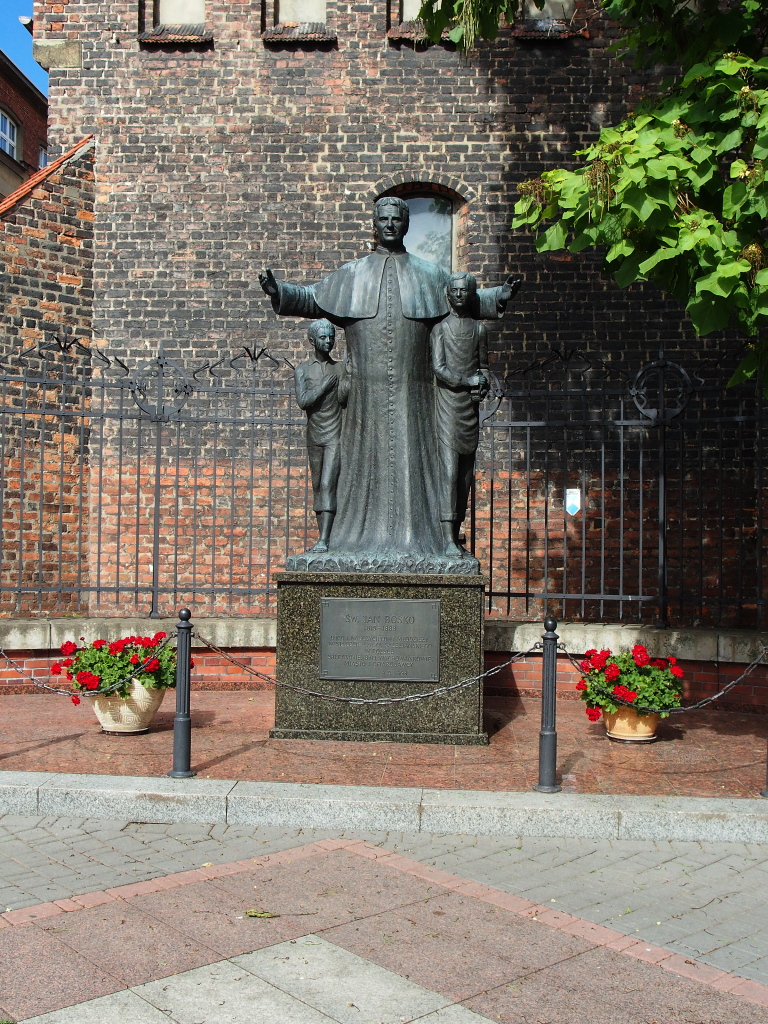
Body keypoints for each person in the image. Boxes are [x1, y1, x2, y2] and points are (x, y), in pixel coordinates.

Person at [260, 196, 521, 570]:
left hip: (415, 393)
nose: (389, 225)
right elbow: (312, 297)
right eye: (383, 219)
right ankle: (348, 540)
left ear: (406, 224)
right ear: (374, 223)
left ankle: (425, 540)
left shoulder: (430, 275)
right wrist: (279, 291)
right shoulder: (351, 275)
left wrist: (499, 296)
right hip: (362, 396)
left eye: (397, 219)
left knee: (417, 463)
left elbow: (465, 299)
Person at [431, 273, 492, 557]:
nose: (458, 295)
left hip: (469, 409)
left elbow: (484, 366)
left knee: (465, 476)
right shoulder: (440, 329)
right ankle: (445, 537)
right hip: (447, 406)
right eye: (454, 290)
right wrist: (467, 381)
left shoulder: (479, 330)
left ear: (470, 293)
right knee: (449, 472)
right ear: (448, 294)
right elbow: (439, 368)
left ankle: (456, 533)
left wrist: (482, 384)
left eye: (463, 290)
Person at [294, 319, 348, 553]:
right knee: (318, 484)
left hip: (335, 432)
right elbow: (303, 401)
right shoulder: (303, 370)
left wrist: (349, 377)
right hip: (315, 433)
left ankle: (326, 539)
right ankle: (322, 537)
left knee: (328, 483)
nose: (328, 342)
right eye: (323, 338)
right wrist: (323, 387)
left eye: (331, 338)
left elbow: (345, 399)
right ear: (312, 340)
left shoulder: (339, 369)